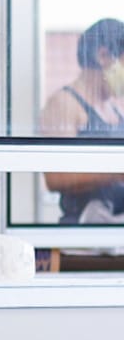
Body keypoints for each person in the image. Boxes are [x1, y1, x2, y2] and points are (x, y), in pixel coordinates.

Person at [39, 17, 124, 223]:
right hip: (83, 239)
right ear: (104, 56)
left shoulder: (113, 109)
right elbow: (55, 178)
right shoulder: (64, 103)